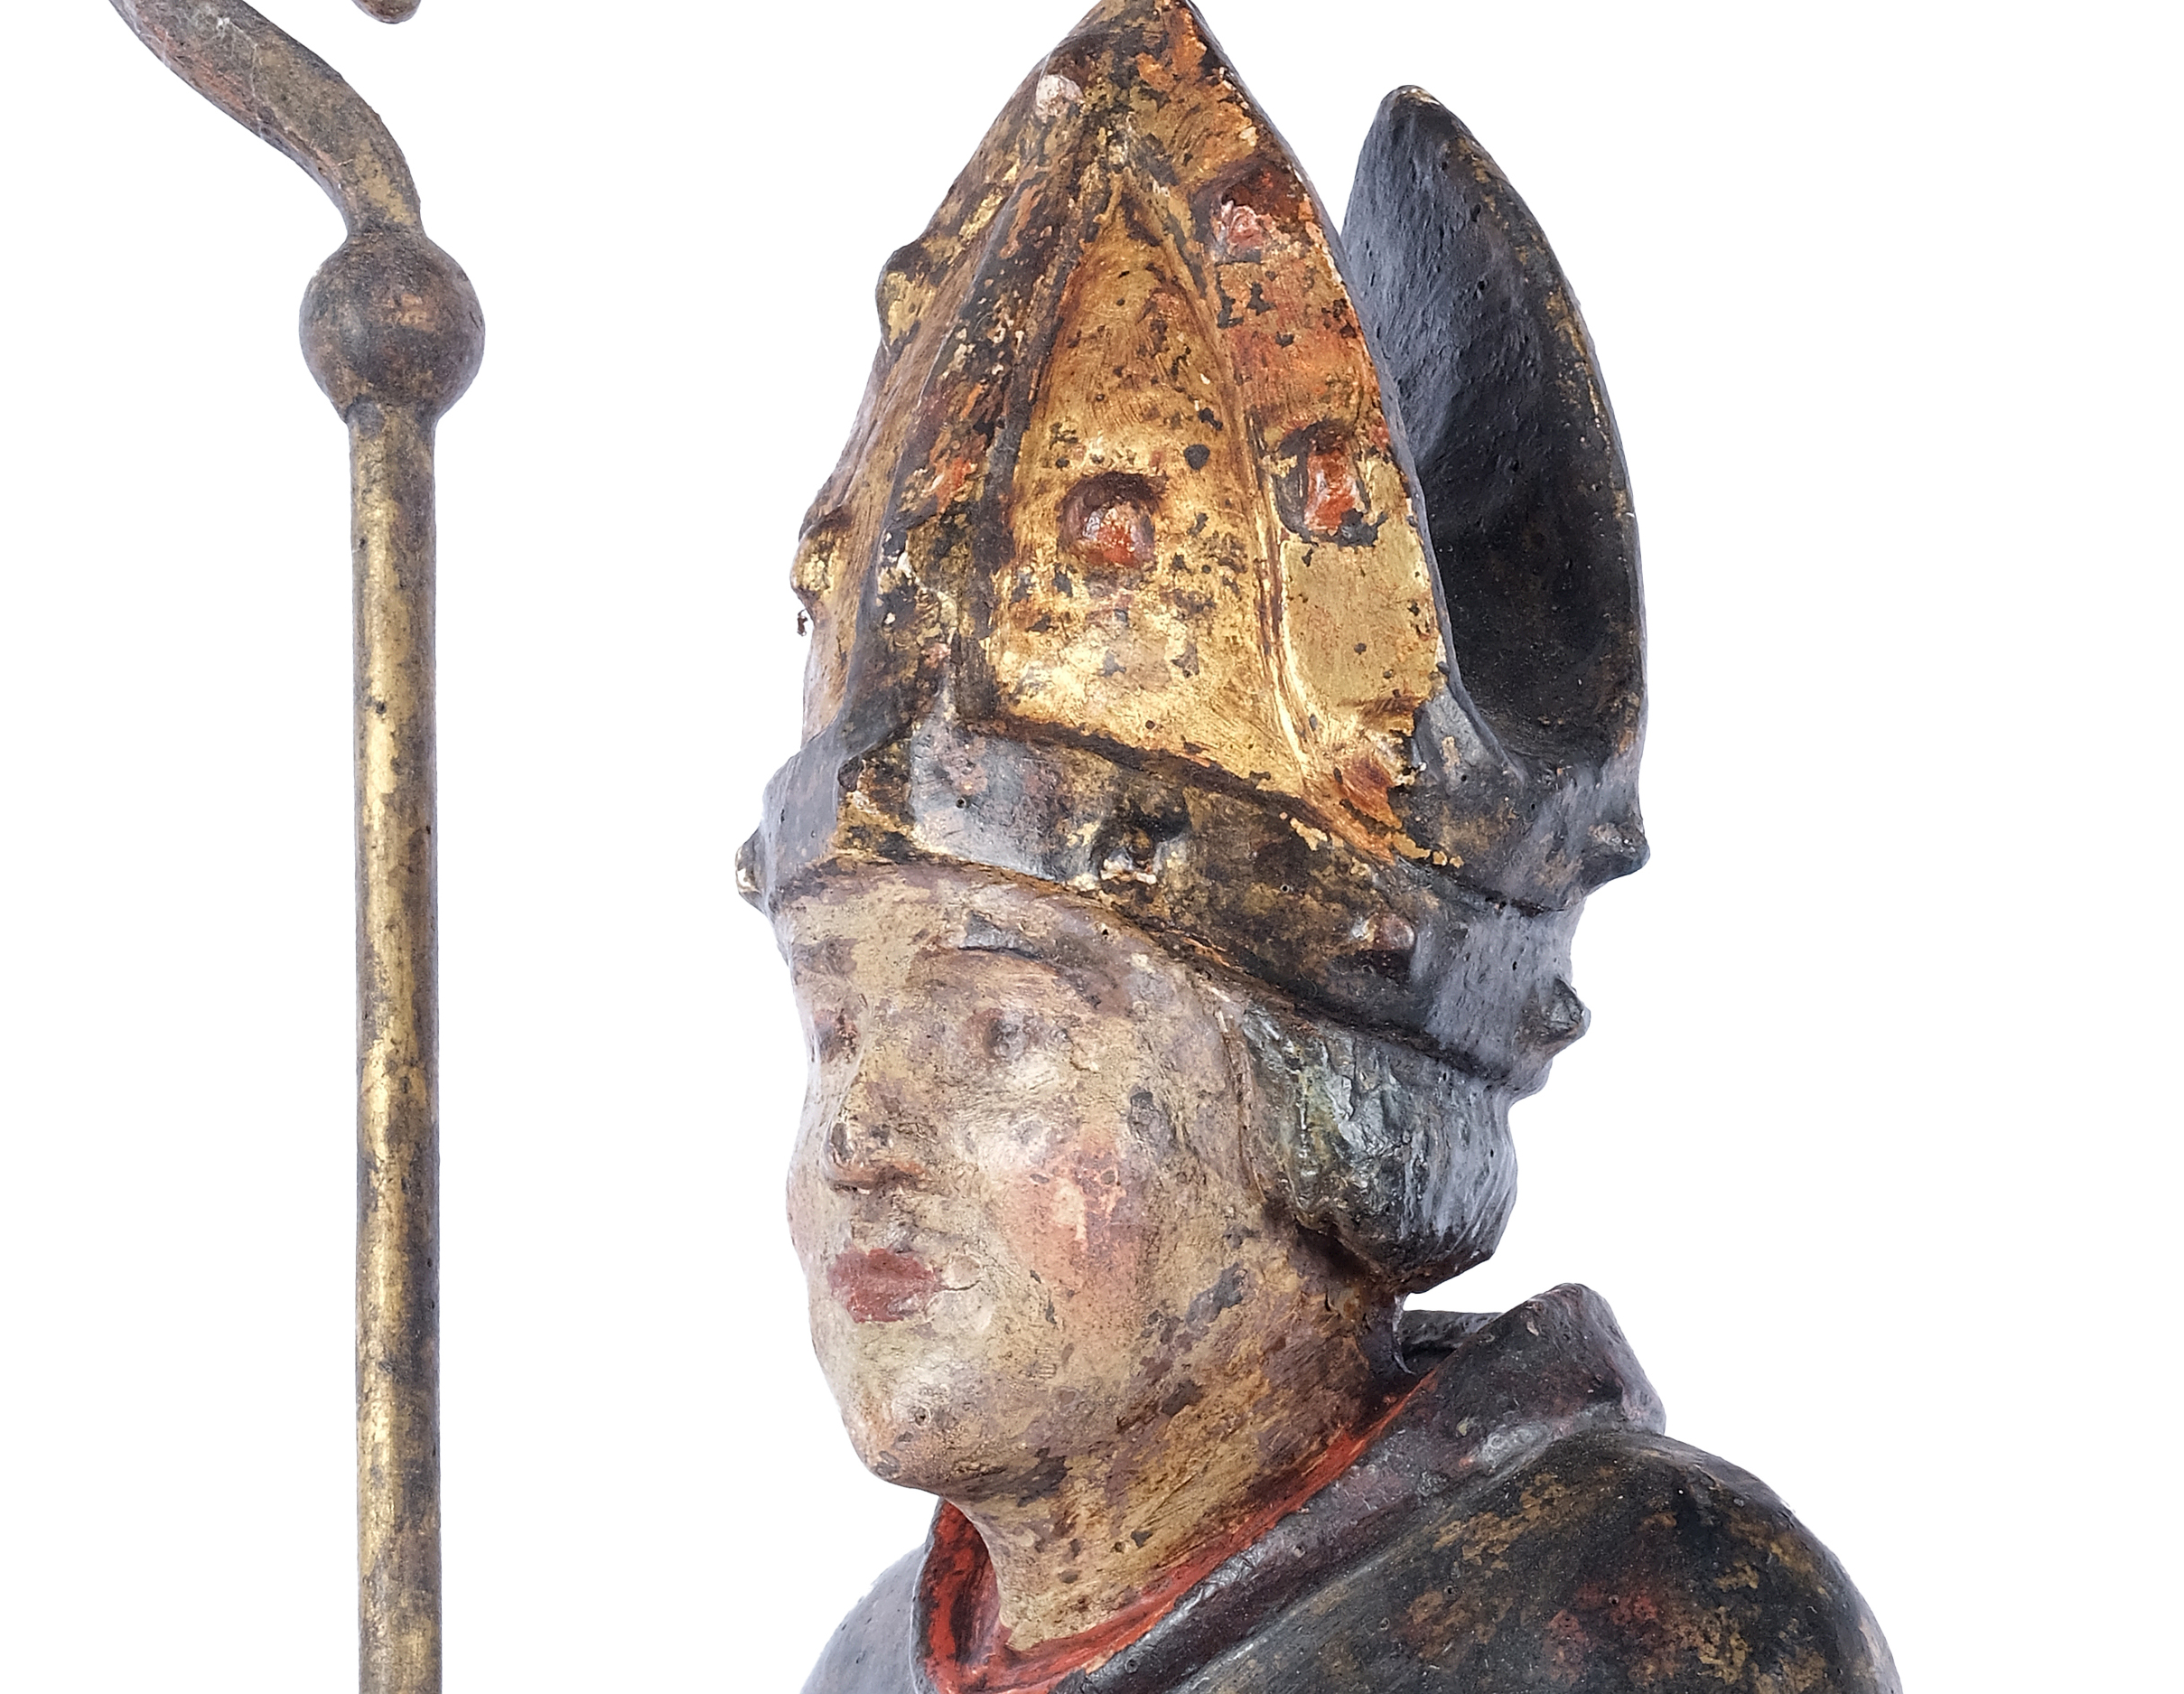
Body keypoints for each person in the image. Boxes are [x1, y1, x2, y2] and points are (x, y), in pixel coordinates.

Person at [737, 4, 1896, 1689]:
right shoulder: (874, 1665)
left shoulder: (1627, 1625)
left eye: (1000, 1032)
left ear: (1325, 1107)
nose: (860, 1136)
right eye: (834, 1022)